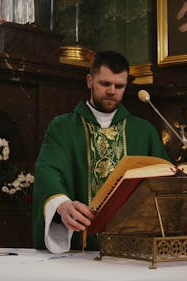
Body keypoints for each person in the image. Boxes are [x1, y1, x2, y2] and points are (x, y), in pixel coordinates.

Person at [32, 50, 170, 253]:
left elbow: (163, 179)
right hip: (81, 247)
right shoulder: (63, 127)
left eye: (119, 86)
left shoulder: (144, 131)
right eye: (105, 84)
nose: (112, 91)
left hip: (135, 248)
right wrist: (62, 204)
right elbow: (48, 171)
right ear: (90, 81)